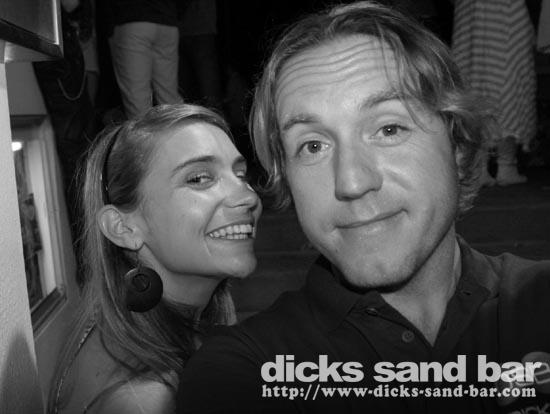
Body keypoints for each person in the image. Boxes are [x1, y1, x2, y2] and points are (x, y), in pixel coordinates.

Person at [176, 2, 550, 413]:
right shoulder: (244, 373)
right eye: (313, 146)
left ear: (457, 146)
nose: (352, 182)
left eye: (389, 128)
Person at [47, 104, 262, 414]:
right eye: (199, 178)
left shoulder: (122, 318)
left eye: (240, 174)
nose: (248, 196)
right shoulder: (146, 401)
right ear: (124, 228)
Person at [107, 0, 182, 119]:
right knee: (169, 96)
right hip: (167, 20)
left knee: (137, 98)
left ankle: (144, 131)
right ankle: (178, 129)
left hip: (132, 18)